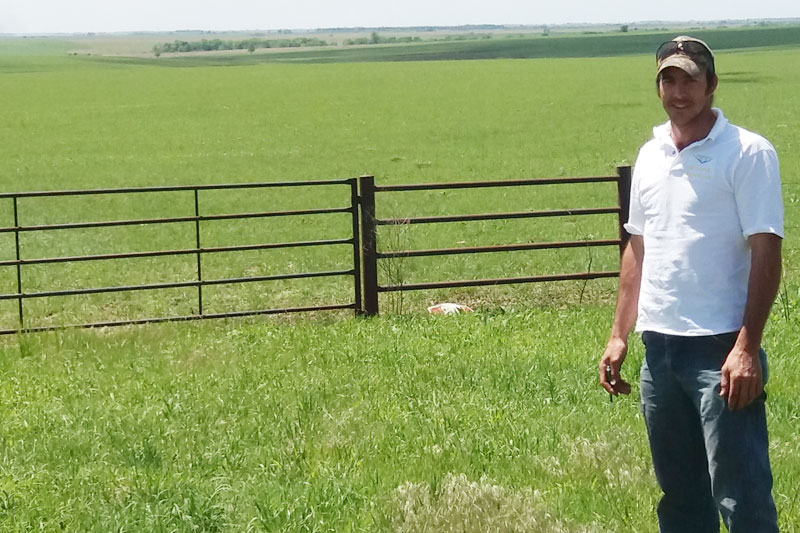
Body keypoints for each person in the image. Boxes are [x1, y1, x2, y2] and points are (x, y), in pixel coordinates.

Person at [598, 36, 784, 532]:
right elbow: (637, 246)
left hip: (721, 350)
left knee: (742, 498)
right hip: (659, 349)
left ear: (712, 85)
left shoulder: (748, 152)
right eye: (669, 80)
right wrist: (619, 334)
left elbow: (767, 252)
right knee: (680, 498)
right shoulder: (651, 155)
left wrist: (747, 347)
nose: (679, 92)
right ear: (658, 86)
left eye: (690, 80)